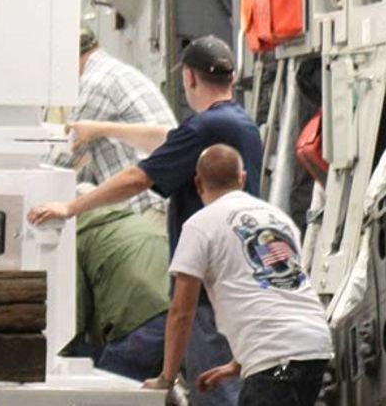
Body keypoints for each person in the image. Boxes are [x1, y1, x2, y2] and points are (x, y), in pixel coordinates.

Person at [28, 35, 264, 406]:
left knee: (215, 394)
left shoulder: (203, 129)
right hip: (239, 277)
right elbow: (168, 138)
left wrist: (70, 207)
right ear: (231, 78)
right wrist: (104, 129)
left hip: (209, 285)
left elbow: (136, 178)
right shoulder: (237, 124)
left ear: (189, 78)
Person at [145, 145, 332, 405]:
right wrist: (237, 364)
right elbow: (275, 289)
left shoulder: (199, 226)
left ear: (198, 183)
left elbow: (181, 312)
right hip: (314, 347)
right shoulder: (279, 219)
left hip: (275, 362)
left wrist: (166, 378)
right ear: (242, 178)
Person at [65, 26, 176, 215]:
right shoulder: (118, 72)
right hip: (164, 201)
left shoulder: (95, 82)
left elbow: (66, 154)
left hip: (143, 205)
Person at [72, 186, 171, 381]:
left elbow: (76, 313)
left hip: (140, 320)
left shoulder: (81, 237)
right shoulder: (137, 222)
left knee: (110, 393)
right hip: (183, 316)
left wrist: (56, 359)